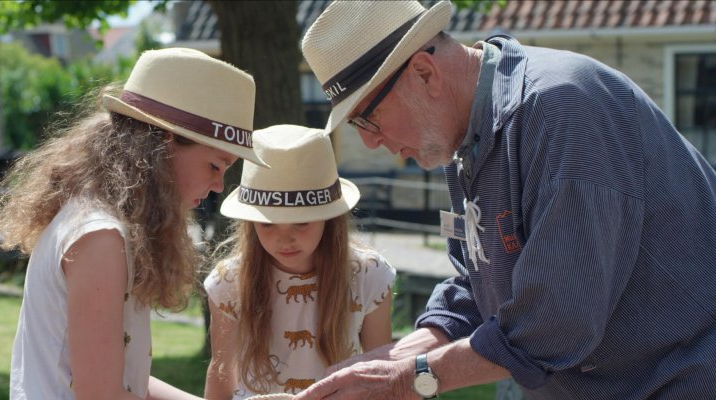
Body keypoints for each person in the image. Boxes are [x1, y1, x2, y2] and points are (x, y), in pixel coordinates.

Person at [295, 1, 716, 399]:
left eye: (367, 119)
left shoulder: (563, 110)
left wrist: (410, 378)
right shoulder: (462, 137)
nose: (368, 143)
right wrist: (396, 357)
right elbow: (480, 284)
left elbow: (553, 323)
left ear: (424, 74)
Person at [0, 47, 268, 399]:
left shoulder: (100, 224)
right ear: (163, 145)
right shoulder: (100, 238)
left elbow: (123, 378)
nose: (218, 186)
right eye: (215, 165)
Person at [202, 125, 396, 399]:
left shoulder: (369, 276)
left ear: (329, 219)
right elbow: (220, 374)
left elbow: (381, 373)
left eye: (301, 222)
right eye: (268, 225)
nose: (285, 240)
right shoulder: (228, 282)